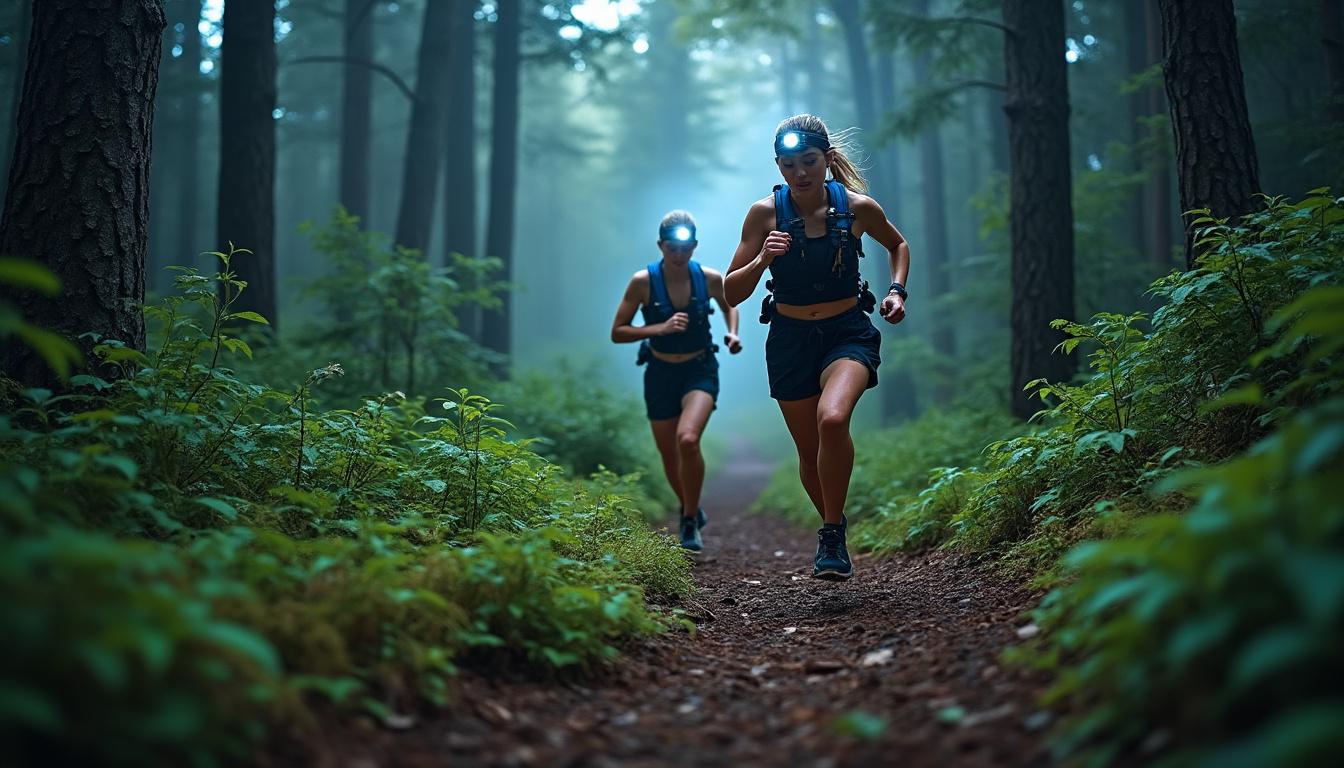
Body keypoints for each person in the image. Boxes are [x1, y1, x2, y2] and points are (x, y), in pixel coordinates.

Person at [724, 114, 910, 580]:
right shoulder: (764, 214)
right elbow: (730, 292)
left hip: (847, 331)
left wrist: (896, 291)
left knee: (833, 418)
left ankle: (829, 535)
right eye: (788, 164)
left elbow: (898, 245)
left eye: (808, 161)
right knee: (809, 455)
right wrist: (763, 258)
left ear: (827, 159)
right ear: (778, 166)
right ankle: (836, 524)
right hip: (789, 340)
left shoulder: (858, 207)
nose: (800, 172)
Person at [611, 210, 742, 552]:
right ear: (661, 246)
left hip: (700, 368)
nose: (679, 255)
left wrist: (732, 333)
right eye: (672, 248)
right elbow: (618, 331)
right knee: (669, 455)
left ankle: (688, 521)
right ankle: (690, 506)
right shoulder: (643, 282)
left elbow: (730, 304)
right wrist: (660, 328)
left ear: (695, 246)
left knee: (688, 439)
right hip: (660, 372)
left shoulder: (709, 278)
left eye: (686, 248)